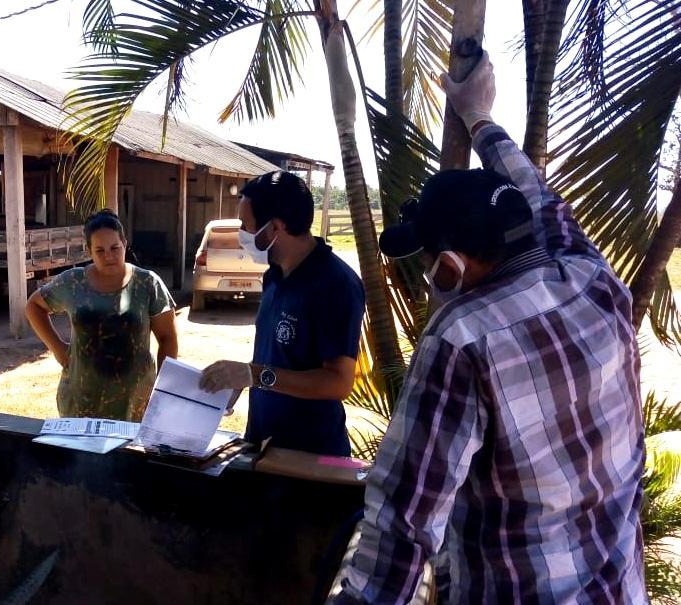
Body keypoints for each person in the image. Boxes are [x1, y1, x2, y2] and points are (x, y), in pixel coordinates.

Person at [334, 54, 646, 604]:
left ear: (450, 266)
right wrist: (479, 117)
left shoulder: (463, 338)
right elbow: (538, 197)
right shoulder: (594, 277)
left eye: (430, 264)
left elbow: (403, 524)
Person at [199, 171, 365, 456]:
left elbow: (338, 381)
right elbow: (276, 356)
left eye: (246, 226)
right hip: (262, 443)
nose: (241, 235)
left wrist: (256, 375)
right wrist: (241, 378)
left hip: (308, 457)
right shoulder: (274, 277)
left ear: (275, 227)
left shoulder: (335, 284)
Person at [25, 209, 178, 420]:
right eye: (100, 250)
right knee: (81, 455)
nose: (109, 256)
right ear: (89, 251)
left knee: (129, 454)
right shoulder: (73, 282)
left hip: (135, 402)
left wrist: (163, 389)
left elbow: (167, 339)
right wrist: (59, 350)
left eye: (115, 247)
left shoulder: (147, 284)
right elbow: (33, 306)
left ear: (125, 243)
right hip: (81, 400)